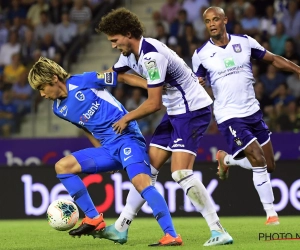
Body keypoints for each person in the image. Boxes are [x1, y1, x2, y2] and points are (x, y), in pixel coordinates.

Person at [90, 7, 233, 247]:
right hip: (175, 112)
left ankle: (219, 231)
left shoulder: (151, 55)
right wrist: (79, 83)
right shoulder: (129, 56)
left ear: (128, 34)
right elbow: (111, 75)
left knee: (180, 173)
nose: (113, 45)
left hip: (192, 111)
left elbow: (154, 103)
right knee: (145, 172)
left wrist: (127, 118)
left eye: (115, 40)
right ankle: (121, 228)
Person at [27, 57, 183, 246]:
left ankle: (171, 234)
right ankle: (93, 218)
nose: (42, 94)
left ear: (53, 78)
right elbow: (86, 128)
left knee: (142, 183)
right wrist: (100, 151)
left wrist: (152, 87)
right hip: (108, 149)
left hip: (127, 139)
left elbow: (122, 77)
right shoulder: (59, 109)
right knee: (63, 166)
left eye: (42, 88)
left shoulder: (84, 81)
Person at [192, 6, 300, 226]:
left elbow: (273, 59)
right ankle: (271, 215)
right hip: (229, 115)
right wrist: (198, 83)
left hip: (253, 111)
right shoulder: (201, 54)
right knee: (258, 159)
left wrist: (297, 69)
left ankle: (227, 159)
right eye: (207, 21)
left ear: (225, 20)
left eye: (215, 19)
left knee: (269, 165)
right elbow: (195, 82)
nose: (211, 24)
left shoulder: (245, 42)